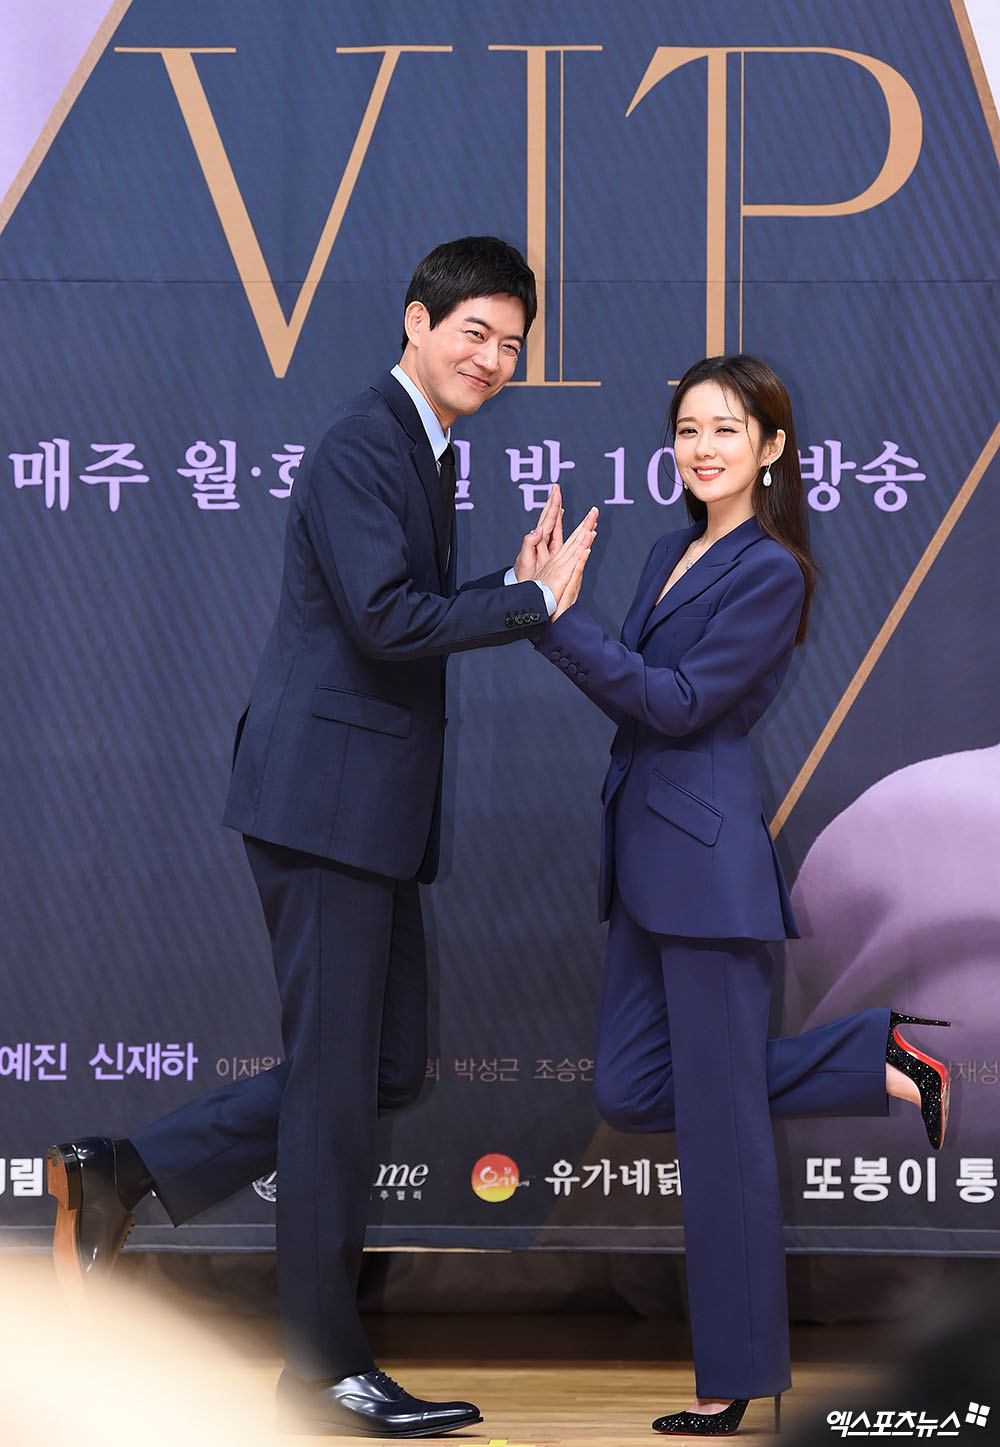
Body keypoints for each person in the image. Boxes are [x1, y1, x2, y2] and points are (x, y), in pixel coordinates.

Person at [46, 236, 597, 1439]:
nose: (493, 358)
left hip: (365, 811)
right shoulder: (366, 440)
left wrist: (506, 587)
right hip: (328, 805)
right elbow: (384, 619)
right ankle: (322, 1370)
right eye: (475, 332)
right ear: (417, 321)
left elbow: (392, 611)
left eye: (511, 344)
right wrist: (527, 603)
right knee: (339, 1089)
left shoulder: (420, 444)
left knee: (382, 1071)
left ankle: (127, 1170)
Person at [532, 353, 951, 1437]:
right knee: (631, 1090)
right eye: (687, 429)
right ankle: (873, 1056)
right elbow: (635, 696)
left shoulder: (773, 571)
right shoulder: (665, 551)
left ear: (771, 448)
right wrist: (557, 613)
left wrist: (555, 620)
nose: (702, 447)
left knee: (723, 1141)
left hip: (708, 876)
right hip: (642, 863)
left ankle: (733, 1377)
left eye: (726, 428)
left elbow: (677, 704)